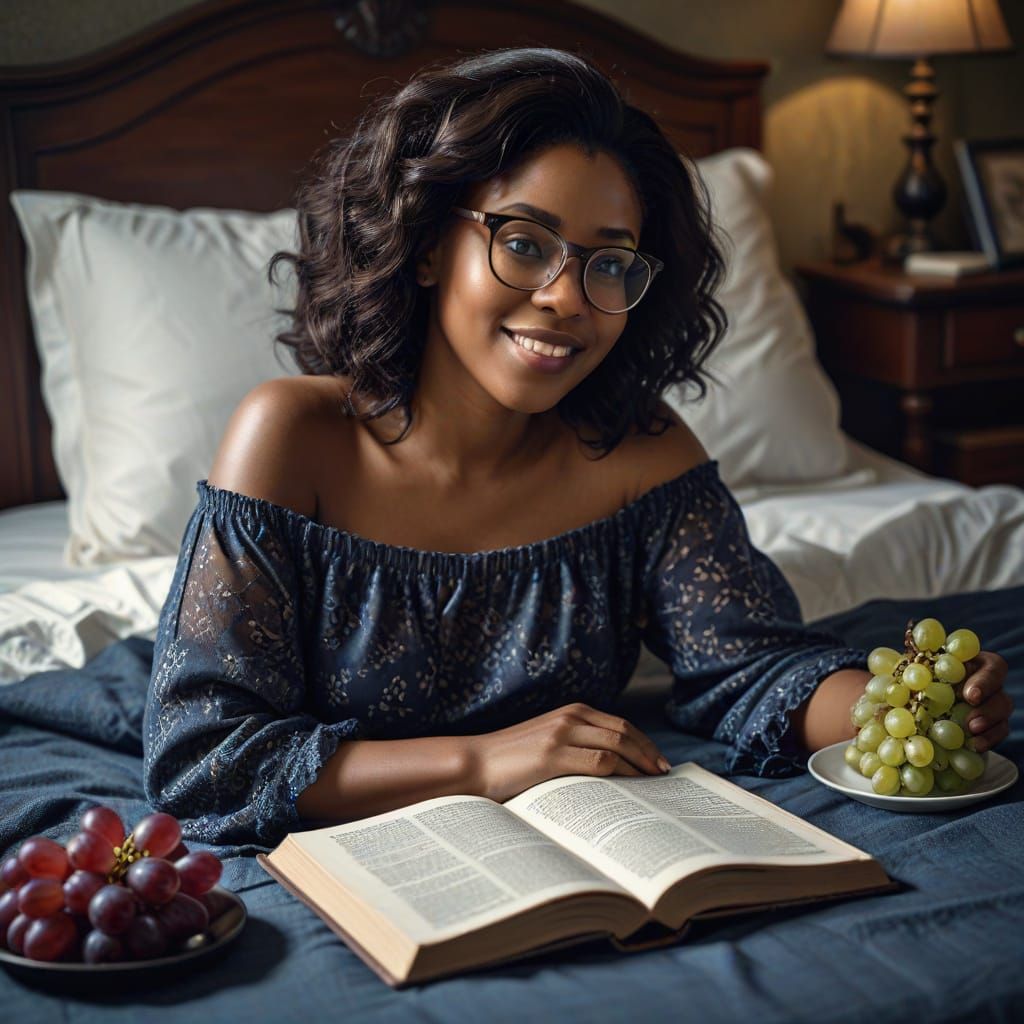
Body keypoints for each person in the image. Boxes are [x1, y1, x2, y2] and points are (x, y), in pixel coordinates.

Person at [141, 47, 1011, 847]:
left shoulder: (640, 456)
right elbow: (203, 757)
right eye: (523, 243)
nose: (568, 298)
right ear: (426, 246)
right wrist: (482, 764)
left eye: (610, 263)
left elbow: (750, 666)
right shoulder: (292, 437)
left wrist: (898, 709)